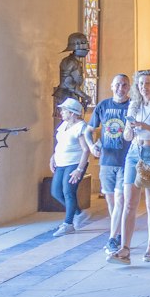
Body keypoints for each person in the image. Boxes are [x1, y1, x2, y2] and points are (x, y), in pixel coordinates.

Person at [110, 68, 150, 264]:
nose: (143, 87)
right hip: (134, 153)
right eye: (140, 84)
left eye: (147, 83)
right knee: (129, 203)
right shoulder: (134, 107)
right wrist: (129, 130)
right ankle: (125, 249)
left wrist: (145, 127)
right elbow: (128, 136)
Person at [85, 73, 131, 257]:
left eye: (125, 85)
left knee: (120, 199)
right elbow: (89, 131)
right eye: (118, 84)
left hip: (125, 160)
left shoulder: (132, 106)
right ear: (112, 86)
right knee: (111, 201)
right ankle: (118, 233)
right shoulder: (103, 106)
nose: (121, 88)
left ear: (129, 87)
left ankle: (112, 238)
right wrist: (91, 145)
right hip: (106, 161)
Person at [49, 96, 90, 236]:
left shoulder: (81, 127)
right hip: (61, 162)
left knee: (68, 191)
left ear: (72, 113)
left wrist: (79, 169)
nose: (61, 112)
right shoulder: (63, 125)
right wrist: (53, 157)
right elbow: (60, 143)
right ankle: (78, 212)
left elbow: (86, 149)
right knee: (55, 192)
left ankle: (68, 224)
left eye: (64, 110)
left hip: (74, 163)